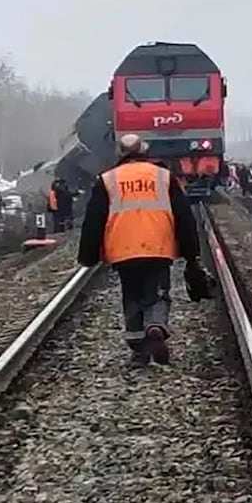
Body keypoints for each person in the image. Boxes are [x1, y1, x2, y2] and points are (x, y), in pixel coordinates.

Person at [78, 133, 202, 367]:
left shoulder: (107, 179)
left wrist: (88, 255)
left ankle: (138, 351)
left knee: (131, 295)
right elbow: (184, 216)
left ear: (121, 153)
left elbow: (93, 219)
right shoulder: (164, 176)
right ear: (144, 151)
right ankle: (155, 325)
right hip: (159, 246)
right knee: (157, 292)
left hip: (123, 249)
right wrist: (191, 253)